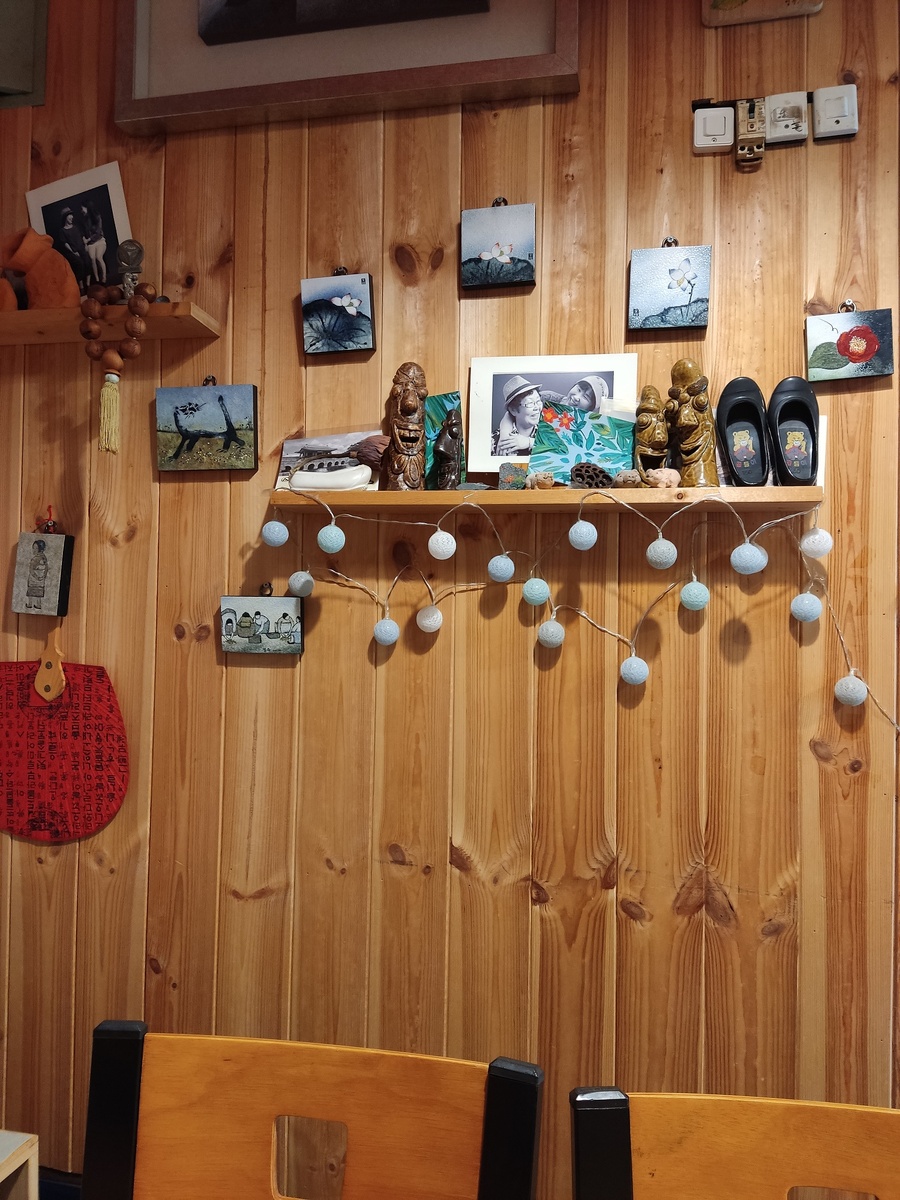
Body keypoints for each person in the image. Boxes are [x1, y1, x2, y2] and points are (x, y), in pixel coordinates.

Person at [492, 375, 545, 457]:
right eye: (529, 403)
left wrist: (529, 442)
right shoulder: (496, 441)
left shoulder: (549, 429)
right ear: (513, 410)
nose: (537, 408)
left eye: (538, 401)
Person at [58, 208, 90, 291]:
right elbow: (65, 243)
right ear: (65, 217)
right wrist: (73, 252)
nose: (72, 217)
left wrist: (86, 245)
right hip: (73, 251)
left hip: (82, 249)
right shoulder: (63, 231)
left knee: (87, 262)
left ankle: (88, 284)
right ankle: (81, 286)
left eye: (72, 215)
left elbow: (82, 236)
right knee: (80, 264)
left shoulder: (76, 227)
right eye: (69, 215)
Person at [81, 201, 107, 284]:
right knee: (92, 258)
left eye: (82, 208)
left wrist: (88, 239)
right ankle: (97, 279)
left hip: (99, 240)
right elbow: (83, 232)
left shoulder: (97, 217)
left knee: (99, 257)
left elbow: (98, 232)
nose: (81, 210)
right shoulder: (84, 219)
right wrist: (85, 241)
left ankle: (104, 277)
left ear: (87, 207)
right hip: (91, 243)